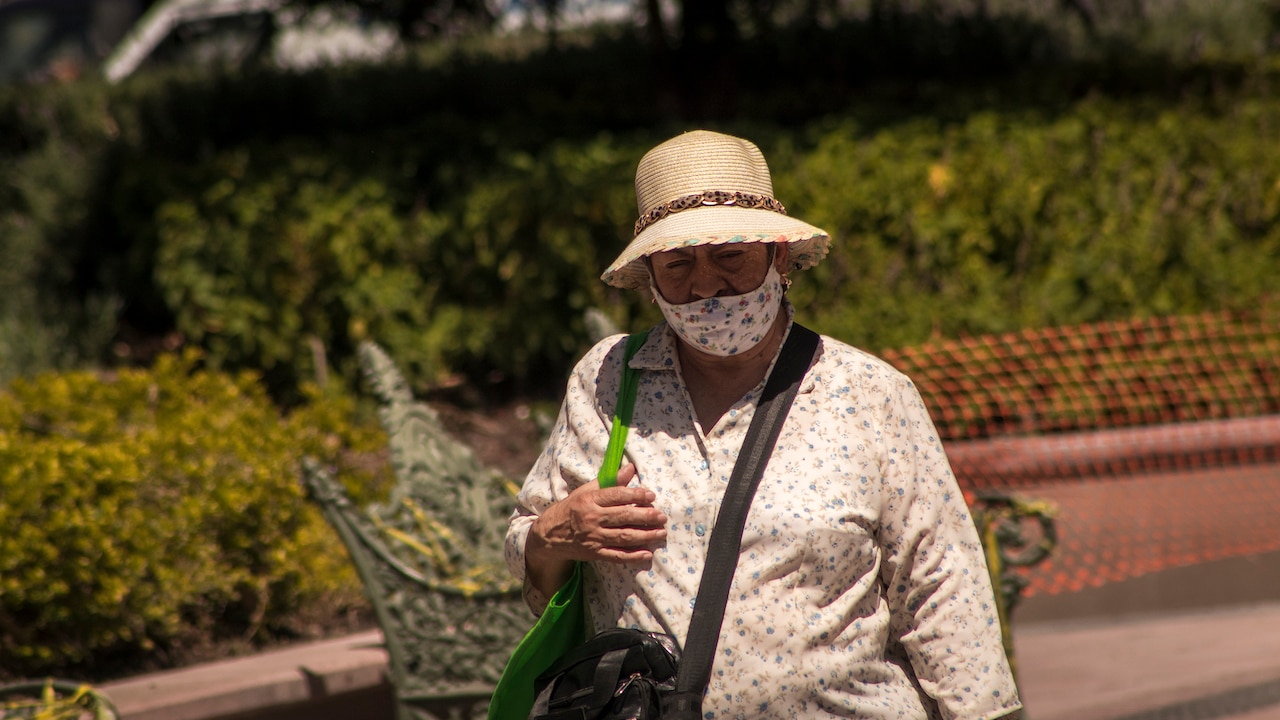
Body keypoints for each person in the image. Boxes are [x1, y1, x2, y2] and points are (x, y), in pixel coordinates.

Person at [504, 130, 1022, 719]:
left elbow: (940, 584)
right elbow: (530, 553)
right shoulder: (607, 381)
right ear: (649, 275)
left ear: (778, 255)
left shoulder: (870, 393)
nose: (705, 286)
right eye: (677, 263)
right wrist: (555, 532)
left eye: (729, 255)